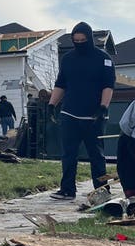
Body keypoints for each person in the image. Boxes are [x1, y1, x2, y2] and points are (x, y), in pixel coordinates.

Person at [47, 21, 115, 200]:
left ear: (89, 39)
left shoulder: (104, 58)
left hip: (94, 115)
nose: (79, 43)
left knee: (97, 155)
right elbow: (60, 84)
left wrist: (103, 107)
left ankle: (102, 190)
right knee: (68, 154)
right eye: (75, 40)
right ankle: (67, 189)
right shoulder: (68, 59)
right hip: (70, 113)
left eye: (82, 40)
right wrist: (51, 105)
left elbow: (108, 85)